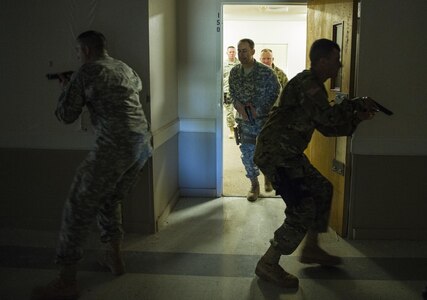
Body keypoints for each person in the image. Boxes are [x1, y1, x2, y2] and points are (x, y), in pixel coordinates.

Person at [32, 30, 153, 300]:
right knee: (109, 200)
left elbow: (66, 115)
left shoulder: (86, 72)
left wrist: (68, 89)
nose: (77, 56)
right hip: (142, 145)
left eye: (77, 52)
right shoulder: (124, 68)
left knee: (77, 207)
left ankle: (66, 280)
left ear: (85, 50)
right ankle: (114, 257)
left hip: (114, 147)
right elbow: (136, 89)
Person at [253, 38, 378, 288]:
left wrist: (355, 115)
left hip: (289, 153)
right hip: (277, 155)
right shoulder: (309, 84)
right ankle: (268, 263)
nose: (339, 64)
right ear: (322, 61)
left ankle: (311, 248)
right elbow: (329, 120)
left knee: (322, 188)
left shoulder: (313, 85)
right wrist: (355, 113)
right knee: (303, 209)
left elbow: (326, 126)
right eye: (335, 59)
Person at [229, 38, 281, 201]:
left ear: (252, 51)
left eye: (245, 50)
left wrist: (259, 109)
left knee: (266, 152)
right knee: (247, 155)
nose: (241, 54)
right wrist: (239, 107)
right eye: (239, 50)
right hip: (244, 122)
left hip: (263, 122)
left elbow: (275, 91)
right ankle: (254, 185)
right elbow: (232, 93)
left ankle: (267, 176)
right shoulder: (235, 72)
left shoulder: (266, 72)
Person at [223, 46, 239, 138]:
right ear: (227, 53)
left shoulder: (240, 64)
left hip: (239, 92)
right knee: (229, 112)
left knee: (241, 111)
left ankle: (240, 128)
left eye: (233, 52)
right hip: (227, 91)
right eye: (230, 52)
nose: (232, 53)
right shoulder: (223, 65)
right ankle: (231, 129)